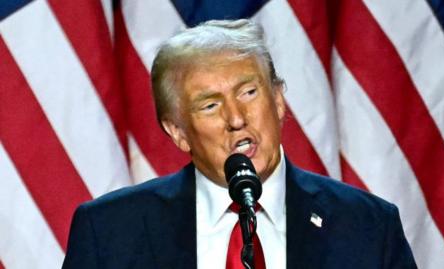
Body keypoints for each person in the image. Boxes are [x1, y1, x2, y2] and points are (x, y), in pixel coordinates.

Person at [62, 19, 417, 269]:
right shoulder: (110, 232)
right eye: (210, 105)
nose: (236, 117)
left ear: (278, 101)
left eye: (249, 92)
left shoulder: (367, 227)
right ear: (178, 132)